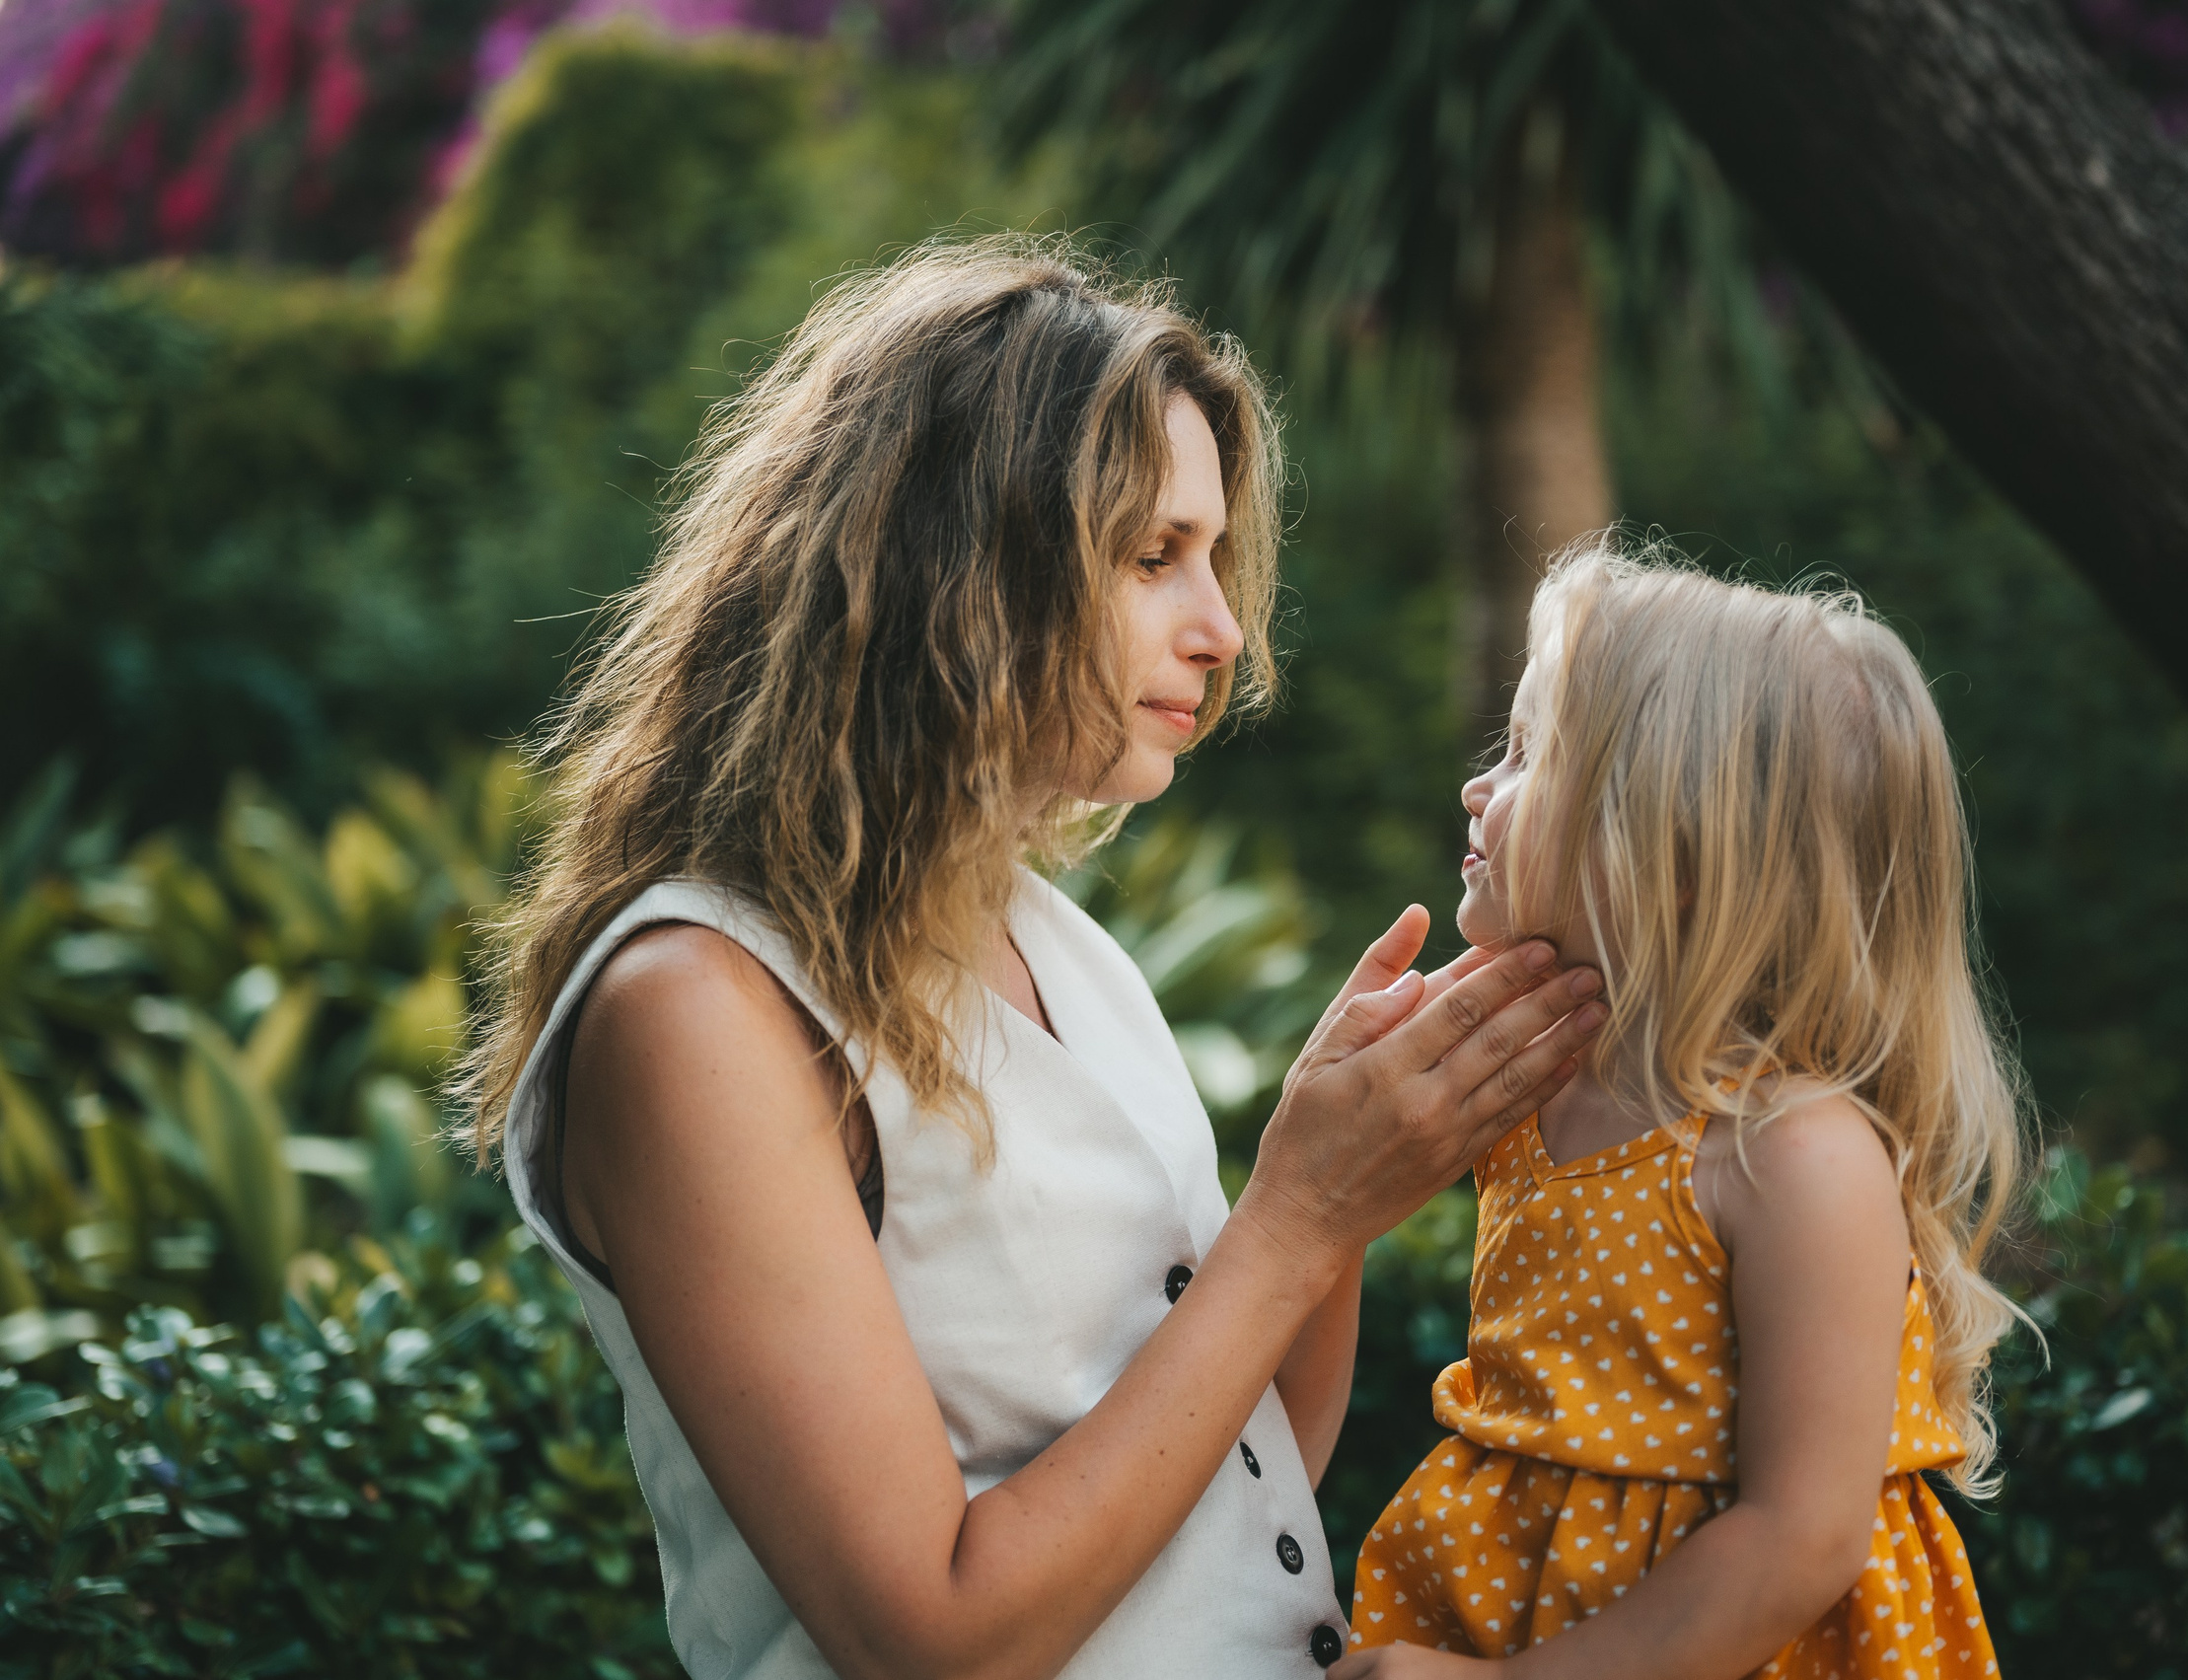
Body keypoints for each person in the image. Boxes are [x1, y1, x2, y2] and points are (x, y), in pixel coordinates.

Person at [457, 237, 1609, 1680]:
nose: (1221, 628)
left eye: (1213, 556)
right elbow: (932, 1635)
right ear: (959, 570)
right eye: (1153, 557)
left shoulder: (1063, 951)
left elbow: (1242, 1483)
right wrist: (1298, 1216)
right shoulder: (698, 1007)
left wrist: (1336, 1179)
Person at [1338, 544, 2025, 1679]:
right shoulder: (1539, 1088)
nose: (1476, 786)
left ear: (1681, 843)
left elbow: (1802, 1536)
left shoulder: (1790, 1153)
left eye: (1529, 754)